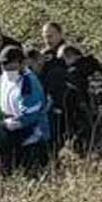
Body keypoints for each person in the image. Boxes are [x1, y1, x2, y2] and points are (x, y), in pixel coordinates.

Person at [0, 44, 52, 183]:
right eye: (5, 67)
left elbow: (31, 114)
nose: (8, 71)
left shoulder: (29, 82)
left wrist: (13, 123)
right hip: (10, 130)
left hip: (32, 136)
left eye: (12, 67)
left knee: (30, 177)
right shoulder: (4, 78)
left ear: (22, 63)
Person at [58, 42, 102, 155]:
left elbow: (77, 96)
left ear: (69, 56)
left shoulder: (75, 73)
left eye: (63, 60)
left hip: (86, 115)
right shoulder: (96, 67)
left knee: (90, 148)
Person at [38, 21, 71, 150]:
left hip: (65, 98)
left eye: (51, 36)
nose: (47, 40)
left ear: (60, 34)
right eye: (45, 36)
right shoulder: (45, 54)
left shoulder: (68, 52)